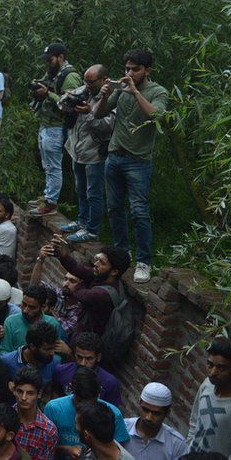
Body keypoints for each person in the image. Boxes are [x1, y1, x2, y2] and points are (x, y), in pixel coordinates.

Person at [93, 49, 169, 283]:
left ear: (147, 70)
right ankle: (121, 254)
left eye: (135, 69)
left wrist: (135, 92)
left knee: (139, 212)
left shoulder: (158, 91)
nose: (129, 73)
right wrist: (105, 95)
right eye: (127, 68)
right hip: (115, 157)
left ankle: (144, 261)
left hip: (138, 161)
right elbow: (97, 114)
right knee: (115, 209)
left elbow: (157, 117)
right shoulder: (123, 89)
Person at [59, 64, 115, 243]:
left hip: (94, 153)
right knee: (80, 190)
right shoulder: (84, 90)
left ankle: (92, 230)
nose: (87, 85)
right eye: (85, 81)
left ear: (104, 80)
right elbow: (61, 103)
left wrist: (90, 113)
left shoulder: (111, 96)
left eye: (91, 81)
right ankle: (81, 221)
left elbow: (108, 125)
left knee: (94, 193)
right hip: (77, 149)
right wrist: (67, 100)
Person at [28, 42, 82, 217]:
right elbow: (47, 85)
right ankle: (47, 195)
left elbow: (70, 105)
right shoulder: (54, 72)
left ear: (60, 57)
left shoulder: (71, 76)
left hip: (57, 127)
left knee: (53, 166)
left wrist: (47, 94)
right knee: (47, 165)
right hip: (46, 124)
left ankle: (51, 203)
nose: (47, 64)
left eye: (49, 60)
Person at [186, 342, 231, 459]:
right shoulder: (207, 385)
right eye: (210, 365)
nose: (213, 372)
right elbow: (194, 420)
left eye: (221, 368)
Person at [43, 367, 129, 455]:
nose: (85, 409)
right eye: (80, 402)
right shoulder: (54, 408)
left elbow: (117, 452)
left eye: (91, 403)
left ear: (99, 393)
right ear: (70, 388)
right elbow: (43, 445)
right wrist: (65, 449)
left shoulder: (113, 414)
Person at [123, 382, 187, 460]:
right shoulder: (122, 428)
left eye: (156, 413)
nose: (149, 418)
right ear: (139, 403)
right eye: (145, 410)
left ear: (167, 413)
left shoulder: (176, 444)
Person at [11, 367, 58, 460]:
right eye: (20, 391)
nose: (23, 398)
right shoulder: (2, 418)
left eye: (30, 393)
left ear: (39, 394)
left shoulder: (48, 431)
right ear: (14, 391)